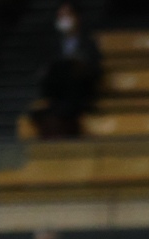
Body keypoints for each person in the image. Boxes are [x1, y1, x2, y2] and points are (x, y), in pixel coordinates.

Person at [36, 1, 102, 138]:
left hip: (80, 94)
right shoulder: (51, 44)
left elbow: (95, 69)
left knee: (63, 112)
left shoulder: (89, 42)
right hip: (58, 94)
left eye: (67, 15)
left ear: (77, 17)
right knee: (42, 113)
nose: (64, 19)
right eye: (60, 15)